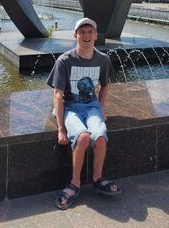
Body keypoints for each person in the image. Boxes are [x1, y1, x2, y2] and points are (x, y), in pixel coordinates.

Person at [47, 17, 121, 210]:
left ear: (95, 35)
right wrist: (61, 129)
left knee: (100, 137)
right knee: (83, 138)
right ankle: (75, 183)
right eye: (82, 32)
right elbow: (57, 94)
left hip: (91, 107)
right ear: (75, 35)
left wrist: (100, 109)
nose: (86, 35)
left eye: (90, 32)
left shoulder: (103, 60)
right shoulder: (65, 61)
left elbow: (105, 86)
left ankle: (98, 178)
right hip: (70, 107)